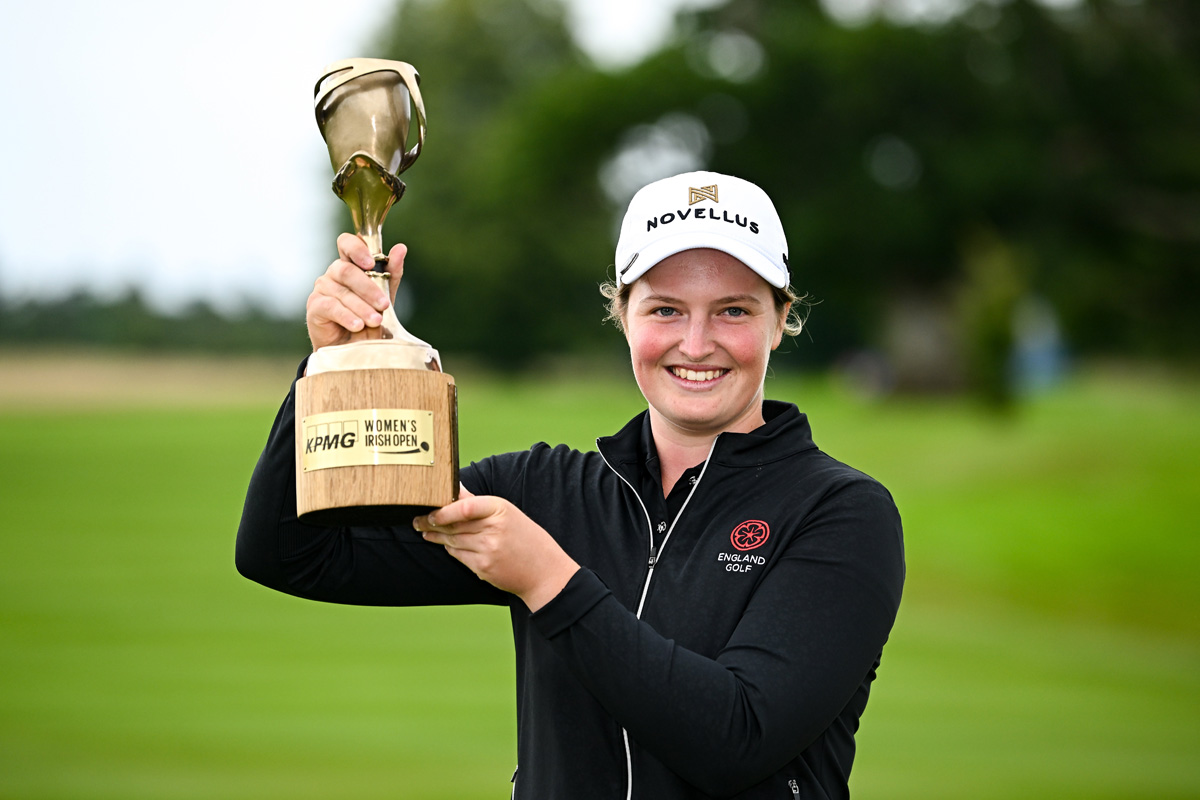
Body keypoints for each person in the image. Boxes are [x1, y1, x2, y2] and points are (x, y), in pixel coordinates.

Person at [236, 170, 905, 799]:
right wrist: (331, 367)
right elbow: (292, 553)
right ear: (622, 313)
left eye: (733, 310)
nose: (697, 343)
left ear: (780, 319)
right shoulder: (543, 491)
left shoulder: (841, 512)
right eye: (665, 310)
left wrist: (547, 579)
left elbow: (737, 739)